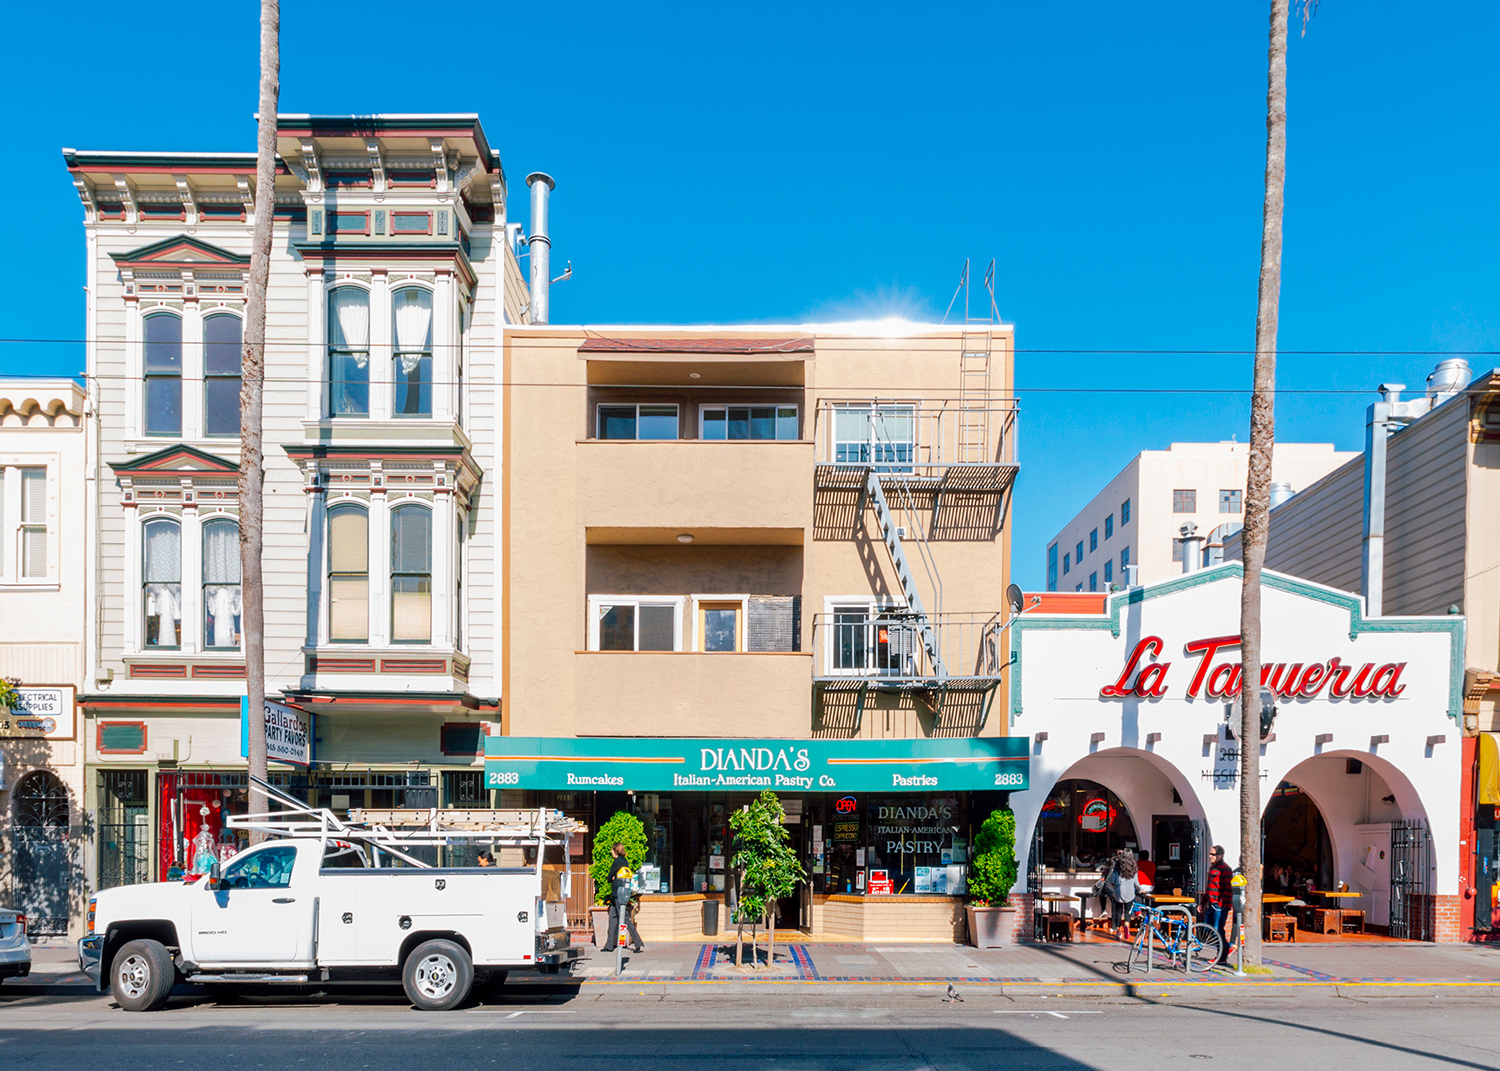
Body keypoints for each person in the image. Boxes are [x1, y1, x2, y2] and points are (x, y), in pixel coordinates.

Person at [600, 842, 645, 953]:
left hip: (617, 894)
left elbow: (609, 878)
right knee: (613, 918)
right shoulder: (625, 861)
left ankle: (638, 942)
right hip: (621, 893)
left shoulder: (617, 862)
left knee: (624, 919)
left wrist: (614, 878)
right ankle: (609, 945)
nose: (611, 852)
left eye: (612, 850)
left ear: (615, 851)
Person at [1202, 845, 1234, 962]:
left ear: (1220, 855)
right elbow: (1209, 887)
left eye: (1213, 854)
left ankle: (1222, 955)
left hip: (1219, 905)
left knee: (1217, 929)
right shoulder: (1212, 868)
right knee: (1208, 928)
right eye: (1210, 854)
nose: (1210, 856)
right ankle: (1226, 947)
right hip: (1212, 904)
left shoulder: (1225, 869)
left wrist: (1222, 904)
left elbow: (1227, 888)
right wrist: (1203, 902)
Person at [1106, 850, 1139, 938]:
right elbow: (1136, 882)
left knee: (1118, 912)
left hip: (1119, 892)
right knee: (1127, 912)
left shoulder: (1118, 866)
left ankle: (1118, 930)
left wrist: (1111, 885)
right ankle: (1126, 925)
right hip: (1130, 892)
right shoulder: (1134, 867)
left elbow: (1113, 880)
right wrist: (1140, 890)